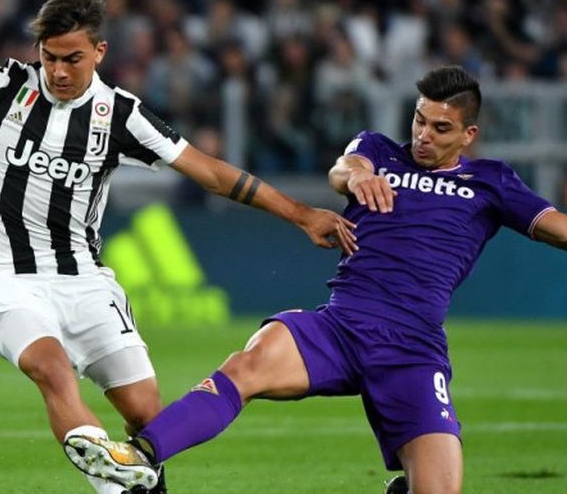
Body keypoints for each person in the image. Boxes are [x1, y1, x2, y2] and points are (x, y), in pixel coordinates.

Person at [0, 0, 357, 493]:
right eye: (49, 57)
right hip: (4, 280)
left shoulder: (122, 114)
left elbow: (211, 174)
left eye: (71, 58)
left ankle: (133, 480)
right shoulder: (1, 84)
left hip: (84, 282)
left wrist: (300, 213)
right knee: (51, 369)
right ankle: (109, 481)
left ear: (99, 51)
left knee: (147, 415)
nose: (57, 70)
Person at [62, 65, 567, 493]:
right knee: (248, 363)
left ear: (468, 135)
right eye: (418, 120)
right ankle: (140, 458)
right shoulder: (379, 152)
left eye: (439, 128)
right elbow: (344, 167)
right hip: (340, 328)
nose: (423, 135)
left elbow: (556, 229)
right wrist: (358, 175)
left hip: (413, 350)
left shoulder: (492, 182)